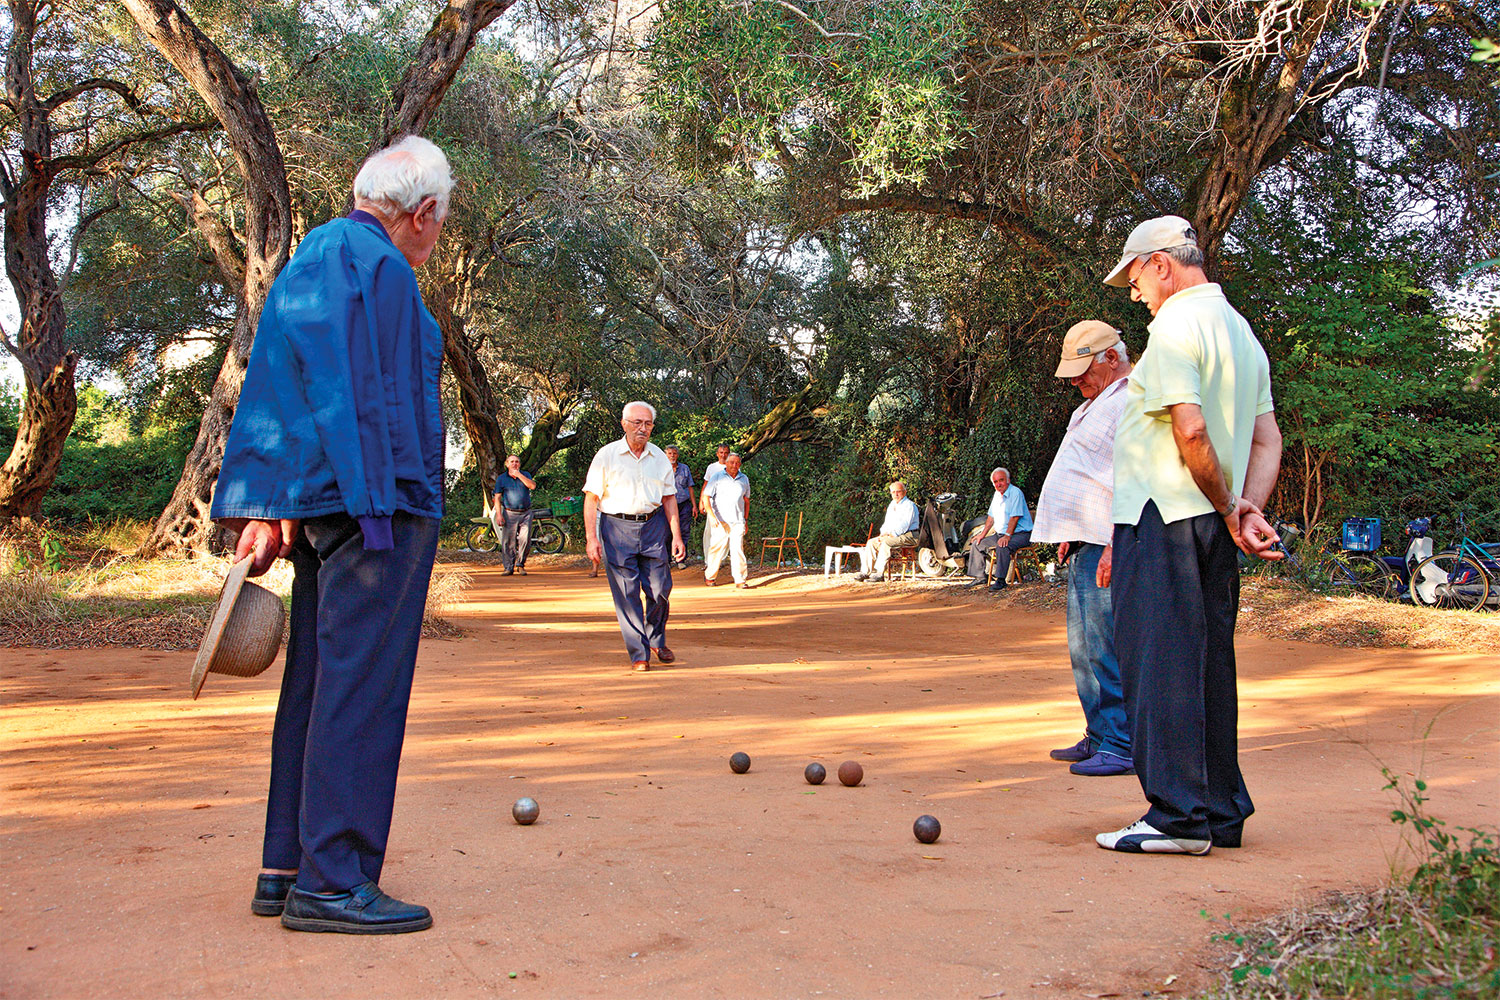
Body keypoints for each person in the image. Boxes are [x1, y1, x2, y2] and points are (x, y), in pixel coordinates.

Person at [209, 136, 454, 934]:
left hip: (325, 504)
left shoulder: (317, 254)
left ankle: (287, 866)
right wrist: (376, 509)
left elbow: (285, 388)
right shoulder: (379, 267)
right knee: (362, 688)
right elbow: (365, 401)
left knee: (318, 681)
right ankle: (334, 879)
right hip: (375, 510)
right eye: (439, 225)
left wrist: (273, 503)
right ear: (421, 213)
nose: (435, 239)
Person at [1095, 215, 1282, 856]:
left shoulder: (1175, 324)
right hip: (1209, 524)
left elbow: (1192, 430)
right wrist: (1245, 509)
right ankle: (1219, 811)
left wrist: (1230, 504)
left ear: (1162, 263)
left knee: (1160, 662)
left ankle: (1177, 818)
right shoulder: (1241, 333)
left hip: (1167, 515)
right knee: (1207, 664)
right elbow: (1265, 439)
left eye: (1135, 275)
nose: (1133, 290)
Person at [1030, 321, 1135, 778]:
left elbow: (1134, 475)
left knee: (1105, 644)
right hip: (1085, 538)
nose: (1075, 382)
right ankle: (1098, 733)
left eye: (1081, 371)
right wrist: (1071, 528)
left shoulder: (1133, 399)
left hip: (1109, 540)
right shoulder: (1099, 402)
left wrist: (1116, 540)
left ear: (1111, 358)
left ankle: (1122, 742)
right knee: (1082, 647)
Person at [583, 401, 688, 670]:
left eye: (648, 423)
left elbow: (669, 499)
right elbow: (592, 498)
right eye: (637, 423)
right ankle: (639, 653)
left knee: (660, 589)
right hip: (616, 528)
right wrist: (591, 538)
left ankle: (656, 638)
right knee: (626, 591)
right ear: (624, 424)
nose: (642, 428)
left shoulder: (660, 457)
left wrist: (676, 536)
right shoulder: (606, 455)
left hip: (654, 527)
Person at [965, 468, 1033, 590]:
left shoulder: (1015, 493)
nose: (998, 484)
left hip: (1021, 534)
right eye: (995, 482)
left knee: (1002, 545)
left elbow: (1015, 517)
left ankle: (1001, 580)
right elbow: (991, 518)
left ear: (1008, 480)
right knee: (977, 543)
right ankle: (979, 577)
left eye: (1001, 480)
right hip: (1001, 533)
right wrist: (982, 534)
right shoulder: (997, 495)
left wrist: (1007, 535)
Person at [854, 481, 920, 582]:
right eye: (893, 492)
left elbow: (904, 525)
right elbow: (887, 523)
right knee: (871, 542)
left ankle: (879, 573)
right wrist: (883, 534)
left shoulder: (909, 505)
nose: (896, 494)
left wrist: (890, 535)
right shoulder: (892, 504)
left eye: (898, 491)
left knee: (886, 542)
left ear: (904, 492)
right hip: (894, 535)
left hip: (910, 535)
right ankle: (865, 572)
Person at [702, 452, 751, 588]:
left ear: (740, 465)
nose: (734, 465)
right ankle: (710, 577)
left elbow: (746, 500)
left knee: (738, 549)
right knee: (717, 549)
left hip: (738, 520)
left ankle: (740, 580)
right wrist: (711, 516)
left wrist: (745, 520)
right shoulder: (717, 477)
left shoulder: (744, 479)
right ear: (726, 463)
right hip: (720, 520)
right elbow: (706, 496)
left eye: (737, 463)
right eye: (731, 462)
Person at [492, 454, 536, 576]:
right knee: (508, 542)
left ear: (519, 464)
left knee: (525, 540)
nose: (514, 464)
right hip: (509, 513)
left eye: (517, 462)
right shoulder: (501, 479)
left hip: (526, 513)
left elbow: (532, 486)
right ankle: (508, 567)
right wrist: (499, 515)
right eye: (512, 462)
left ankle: (521, 565)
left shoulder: (525, 475)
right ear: (507, 464)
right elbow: (497, 497)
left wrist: (519, 475)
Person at [665, 445, 696, 569]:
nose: (672, 456)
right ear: (665, 455)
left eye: (674, 453)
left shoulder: (684, 468)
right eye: (669, 453)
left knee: (683, 530)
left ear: (677, 455)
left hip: (683, 505)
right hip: (666, 505)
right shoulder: (661, 469)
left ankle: (681, 559)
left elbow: (690, 487)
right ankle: (666, 559)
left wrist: (694, 505)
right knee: (666, 532)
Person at [699, 443, 730, 563]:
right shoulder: (711, 467)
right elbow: (705, 485)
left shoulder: (732, 466)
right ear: (717, 454)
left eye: (726, 452)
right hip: (712, 505)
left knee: (726, 533)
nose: (723, 455)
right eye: (721, 452)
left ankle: (720, 559)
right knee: (709, 533)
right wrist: (701, 502)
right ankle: (708, 561)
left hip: (728, 506)